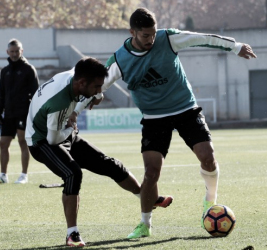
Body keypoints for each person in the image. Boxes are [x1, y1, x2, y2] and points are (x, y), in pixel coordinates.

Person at [74, 8, 257, 239]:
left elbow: (200, 38)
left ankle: (209, 203)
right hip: (153, 117)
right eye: (145, 36)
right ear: (132, 32)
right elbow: (97, 86)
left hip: (185, 108)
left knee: (208, 157)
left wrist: (236, 46)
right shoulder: (120, 60)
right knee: (151, 172)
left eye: (153, 34)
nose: (151, 39)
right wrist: (79, 108)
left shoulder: (167, 38)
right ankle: (145, 224)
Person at [25, 57, 173, 247]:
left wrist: (96, 94)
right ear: (81, 83)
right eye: (96, 87)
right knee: (73, 174)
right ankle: (72, 234)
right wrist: (71, 127)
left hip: (62, 130)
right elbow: (53, 139)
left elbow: (85, 71)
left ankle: (146, 198)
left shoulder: (77, 76)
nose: (99, 90)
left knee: (110, 165)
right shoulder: (59, 101)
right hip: (42, 141)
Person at [0, 39, 39, 184]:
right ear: (7, 52)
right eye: (12, 51)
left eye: (17, 51)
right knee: (3, 143)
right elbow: (1, 92)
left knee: (23, 142)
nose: (14, 54)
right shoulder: (5, 71)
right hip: (9, 113)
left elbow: (36, 93)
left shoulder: (29, 69)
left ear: (21, 51)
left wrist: (34, 113)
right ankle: (3, 175)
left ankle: (24, 175)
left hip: (23, 111)